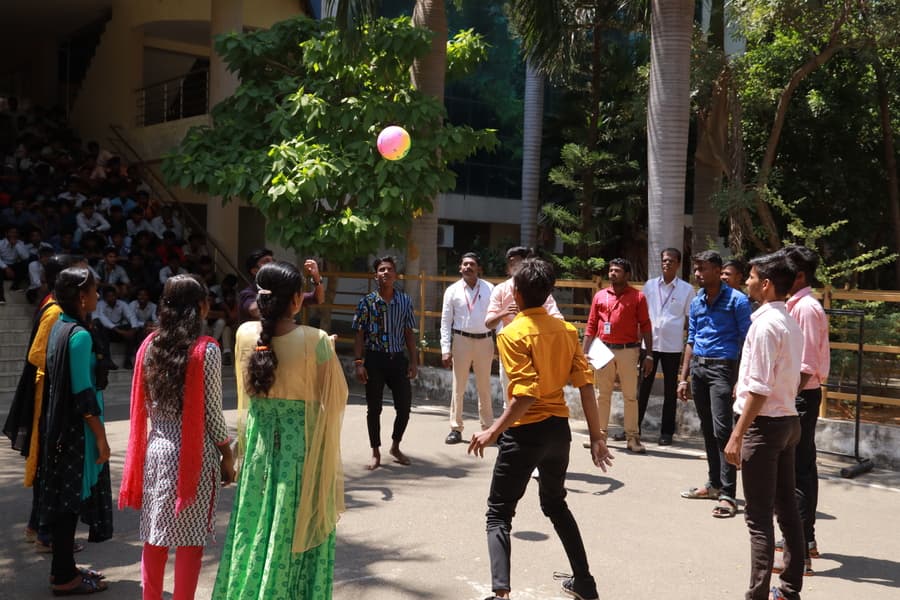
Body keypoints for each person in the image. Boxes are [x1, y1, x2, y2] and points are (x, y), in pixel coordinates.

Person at [468, 258, 613, 600]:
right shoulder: (566, 331)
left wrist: (493, 431)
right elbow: (585, 385)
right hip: (558, 432)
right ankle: (585, 583)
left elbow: (525, 395)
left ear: (515, 293)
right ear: (549, 293)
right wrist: (596, 437)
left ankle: (500, 593)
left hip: (525, 432)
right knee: (556, 504)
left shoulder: (512, 333)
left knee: (498, 514)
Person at [212, 261, 347, 599]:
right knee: (291, 522)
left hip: (258, 447)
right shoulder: (315, 340)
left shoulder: (244, 333)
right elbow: (331, 397)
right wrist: (325, 351)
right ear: (296, 301)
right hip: (298, 448)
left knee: (254, 520)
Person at [119, 274, 235, 600]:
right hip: (193, 454)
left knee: (155, 537)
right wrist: (227, 454)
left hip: (157, 450)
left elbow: (143, 405)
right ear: (200, 307)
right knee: (190, 540)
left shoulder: (148, 346)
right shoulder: (205, 351)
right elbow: (212, 415)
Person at [724, 252, 804, 600]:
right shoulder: (789, 321)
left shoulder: (765, 325)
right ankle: (788, 590)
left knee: (758, 519)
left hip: (765, 426)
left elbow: (758, 389)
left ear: (767, 284)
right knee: (787, 510)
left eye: (753, 277)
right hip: (787, 421)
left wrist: (737, 435)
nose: (748, 281)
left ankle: (756, 594)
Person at [40, 266, 113, 594]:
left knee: (63, 501)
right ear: (82, 296)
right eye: (94, 290)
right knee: (70, 503)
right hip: (78, 432)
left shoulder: (61, 326)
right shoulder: (80, 335)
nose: (98, 295)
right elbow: (84, 395)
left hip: (61, 428)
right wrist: (100, 436)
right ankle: (65, 577)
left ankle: (64, 569)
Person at [3, 254, 79, 551]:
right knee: (48, 469)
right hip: (44, 397)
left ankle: (38, 526)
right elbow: (37, 355)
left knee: (47, 469)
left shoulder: (55, 305)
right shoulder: (53, 311)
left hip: (48, 395)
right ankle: (44, 532)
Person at [678, 250, 752, 519]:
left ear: (717, 270)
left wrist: (740, 379)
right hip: (698, 367)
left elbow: (747, 341)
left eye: (702, 269)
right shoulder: (697, 301)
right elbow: (692, 339)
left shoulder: (738, 300)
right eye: (696, 269)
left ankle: (728, 494)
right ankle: (713, 484)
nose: (697, 274)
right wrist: (682, 377)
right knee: (707, 429)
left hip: (723, 368)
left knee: (723, 431)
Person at [777, 244, 830, 573]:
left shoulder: (806, 308)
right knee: (799, 469)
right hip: (796, 396)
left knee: (796, 472)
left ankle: (799, 552)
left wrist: (784, 400)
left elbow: (806, 365)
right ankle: (803, 541)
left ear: (799, 275)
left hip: (799, 396)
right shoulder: (796, 304)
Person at [582, 258, 653, 453]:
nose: (613, 273)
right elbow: (591, 325)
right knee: (602, 395)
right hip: (602, 349)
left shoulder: (638, 297)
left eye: (618, 271)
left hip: (628, 350)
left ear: (627, 275)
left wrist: (649, 355)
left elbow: (646, 326)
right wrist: (584, 352)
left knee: (630, 396)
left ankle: (632, 437)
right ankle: (600, 435)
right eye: (611, 270)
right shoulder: (600, 296)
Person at [352, 255, 417, 470]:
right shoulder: (366, 302)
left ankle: (395, 446)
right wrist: (359, 362)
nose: (385, 273)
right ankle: (375, 452)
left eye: (389, 269)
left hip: (398, 359)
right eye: (381, 269)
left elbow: (409, 333)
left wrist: (414, 362)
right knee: (374, 409)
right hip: (374, 359)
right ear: (375, 275)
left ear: (396, 275)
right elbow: (359, 334)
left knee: (404, 407)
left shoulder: (405, 301)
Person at [485, 246, 564, 405]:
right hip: (510, 349)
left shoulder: (538, 288)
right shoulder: (501, 289)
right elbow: (489, 323)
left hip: (536, 349)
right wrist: (504, 312)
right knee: (510, 396)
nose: (515, 267)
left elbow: (557, 317)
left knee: (537, 397)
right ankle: (511, 428)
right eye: (511, 263)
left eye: (519, 263)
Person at [637, 248, 694, 446]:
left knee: (670, 390)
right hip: (650, 344)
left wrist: (675, 328)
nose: (666, 263)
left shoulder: (687, 289)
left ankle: (667, 432)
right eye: (664, 260)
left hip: (672, 346)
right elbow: (642, 315)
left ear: (678, 264)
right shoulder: (650, 285)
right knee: (643, 387)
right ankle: (633, 428)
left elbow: (689, 318)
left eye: (671, 261)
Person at [440, 252, 495, 444]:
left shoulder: (490, 288)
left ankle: (488, 428)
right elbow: (445, 322)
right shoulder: (452, 291)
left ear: (478, 268)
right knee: (458, 386)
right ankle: (456, 428)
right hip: (461, 340)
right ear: (460, 268)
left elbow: (497, 318)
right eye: (465, 264)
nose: (468, 267)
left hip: (485, 340)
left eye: (472, 264)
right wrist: (445, 349)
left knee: (484, 387)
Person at [240, 248, 323, 323]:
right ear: (254, 271)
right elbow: (254, 311)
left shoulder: (284, 288)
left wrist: (316, 278)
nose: (272, 263)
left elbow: (317, 299)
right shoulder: (247, 293)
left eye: (273, 260)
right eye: (266, 261)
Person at [93, 286, 141, 369]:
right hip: (109, 331)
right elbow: (104, 320)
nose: (111, 298)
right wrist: (121, 332)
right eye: (109, 296)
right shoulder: (100, 305)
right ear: (104, 298)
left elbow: (131, 316)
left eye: (113, 296)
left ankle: (128, 361)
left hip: (119, 331)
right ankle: (108, 360)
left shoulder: (122, 304)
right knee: (101, 329)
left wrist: (133, 330)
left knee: (132, 330)